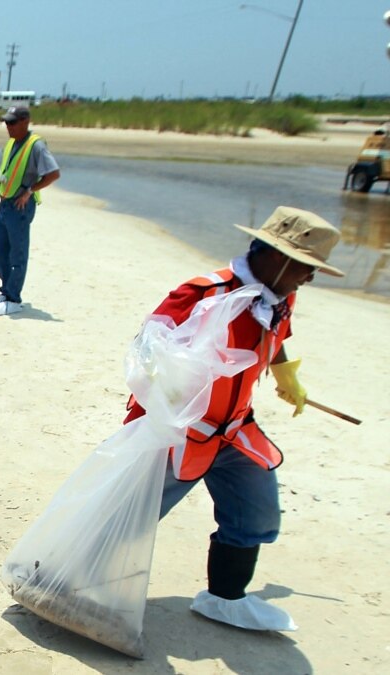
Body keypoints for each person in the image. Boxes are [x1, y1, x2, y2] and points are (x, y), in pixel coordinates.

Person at [124, 206, 344, 631]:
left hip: (235, 430)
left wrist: (284, 374)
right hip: (181, 433)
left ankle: (224, 599)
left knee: (256, 514)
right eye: (307, 267)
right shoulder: (204, 293)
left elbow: (276, 336)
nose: (311, 278)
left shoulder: (280, 296)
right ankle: (67, 578)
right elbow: (146, 350)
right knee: (130, 516)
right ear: (278, 257)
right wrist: (162, 408)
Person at [0, 106, 60, 316]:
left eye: (12, 123)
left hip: (20, 206)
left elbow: (53, 173)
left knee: (17, 254)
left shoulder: (36, 145)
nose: (8, 127)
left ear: (25, 121)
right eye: (6, 123)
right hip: (5, 204)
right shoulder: (11, 143)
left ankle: (14, 298)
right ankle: (6, 289)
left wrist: (30, 191)